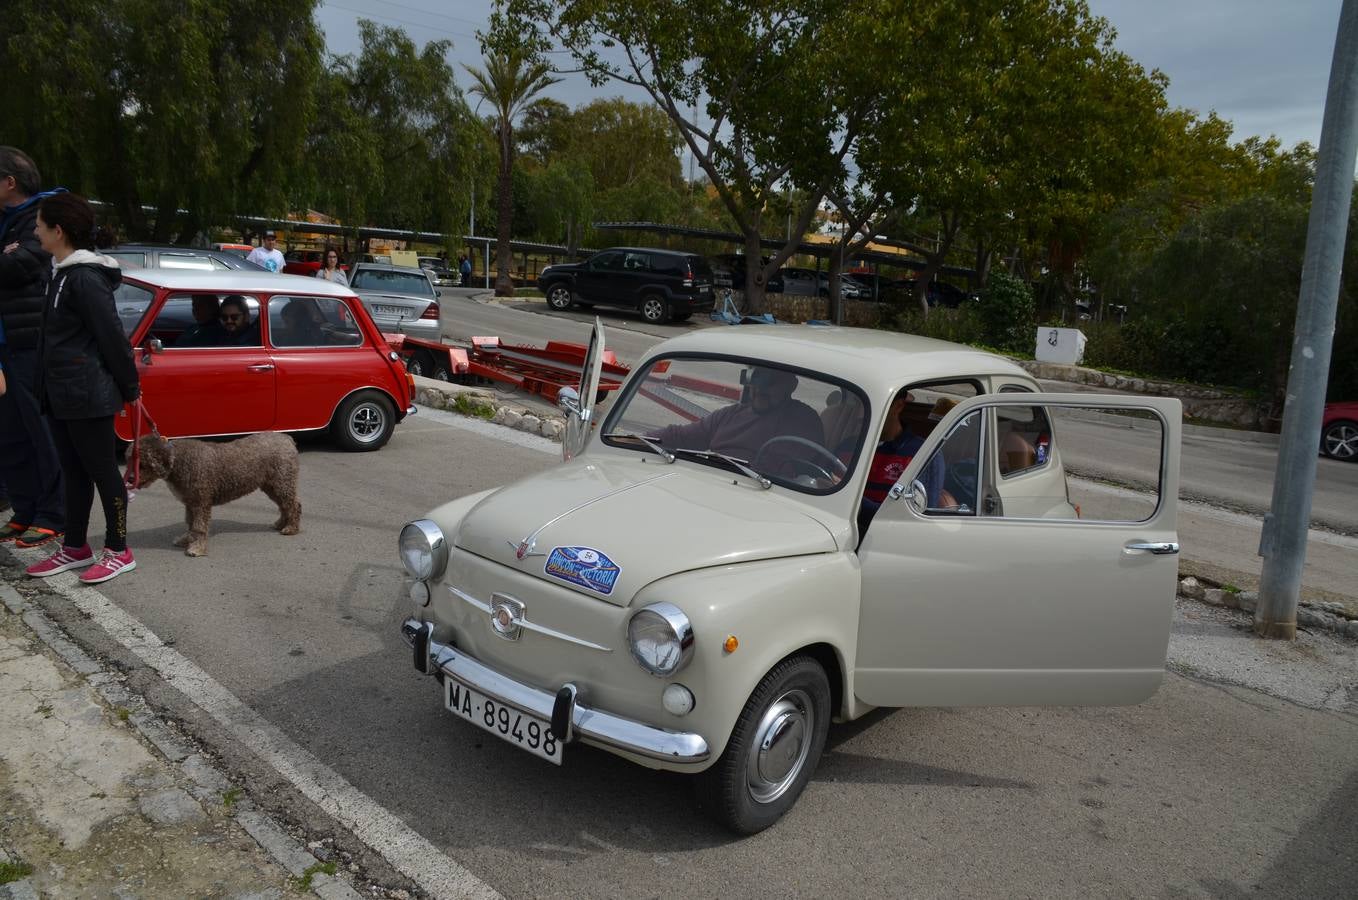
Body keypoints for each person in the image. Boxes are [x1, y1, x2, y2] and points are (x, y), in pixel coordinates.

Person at [24, 193, 140, 584]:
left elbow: (112, 338)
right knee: (73, 472)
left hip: (87, 393)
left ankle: (118, 548)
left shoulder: (85, 278)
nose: (35, 231)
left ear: (58, 231)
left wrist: (130, 387)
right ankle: (75, 546)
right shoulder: (60, 272)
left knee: (104, 472)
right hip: (60, 394)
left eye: (39, 225)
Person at [0, 146, 66, 549]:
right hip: (3, 348)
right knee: (9, 434)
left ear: (10, 182)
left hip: (27, 345)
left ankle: (52, 514)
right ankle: (23, 510)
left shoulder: (41, 219)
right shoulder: (6, 222)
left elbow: (19, 265)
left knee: (40, 432)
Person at [651, 366, 823, 470]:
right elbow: (680, 435)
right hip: (711, 482)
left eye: (770, 383)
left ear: (790, 386)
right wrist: (636, 440)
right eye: (757, 381)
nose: (760, 389)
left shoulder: (802, 420)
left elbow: (777, 469)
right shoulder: (731, 414)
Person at [858, 389, 946, 532]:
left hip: (883, 538)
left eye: (873, 405)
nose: (861, 414)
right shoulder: (849, 444)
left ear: (898, 406)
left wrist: (854, 502)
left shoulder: (923, 454)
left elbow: (913, 519)